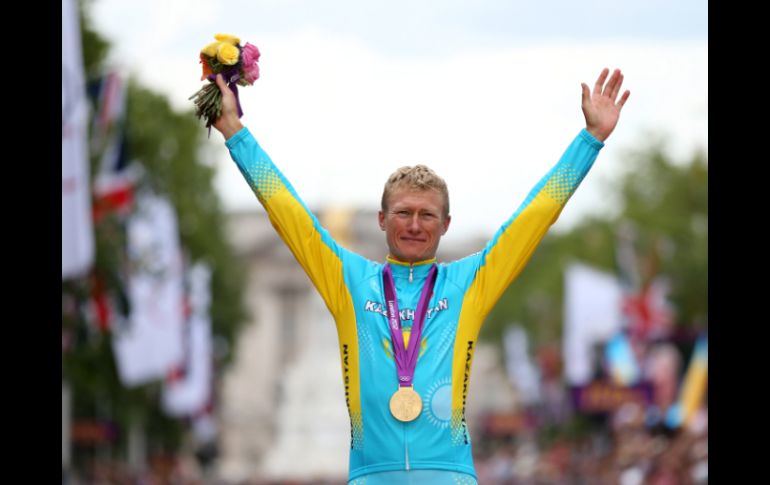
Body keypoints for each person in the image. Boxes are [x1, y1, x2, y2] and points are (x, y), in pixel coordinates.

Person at [212, 68, 629, 484]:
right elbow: (287, 213)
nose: (414, 225)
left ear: (445, 224)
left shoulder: (469, 283)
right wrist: (234, 131)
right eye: (403, 213)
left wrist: (590, 140)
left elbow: (535, 217)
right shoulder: (349, 281)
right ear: (382, 219)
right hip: (371, 477)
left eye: (427, 215)